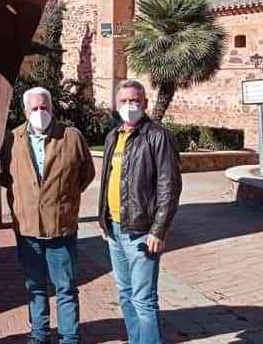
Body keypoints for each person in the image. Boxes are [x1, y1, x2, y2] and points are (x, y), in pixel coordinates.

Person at [0, 86, 96, 344]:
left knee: (65, 288)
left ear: (52, 108)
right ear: (25, 110)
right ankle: (39, 334)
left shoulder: (71, 136)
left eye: (44, 107)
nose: (40, 112)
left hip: (61, 227)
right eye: (35, 108)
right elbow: (6, 178)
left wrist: (64, 199)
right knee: (35, 287)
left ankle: (69, 337)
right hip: (28, 228)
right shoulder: (12, 139)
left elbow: (86, 173)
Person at [98, 80, 182, 344]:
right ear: (115, 104)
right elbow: (106, 180)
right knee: (125, 294)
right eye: (123, 101)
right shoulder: (113, 136)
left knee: (143, 299)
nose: (129, 106)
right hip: (114, 230)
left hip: (141, 232)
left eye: (134, 101)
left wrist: (159, 230)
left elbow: (170, 187)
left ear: (145, 103)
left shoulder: (158, 136)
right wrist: (104, 222)